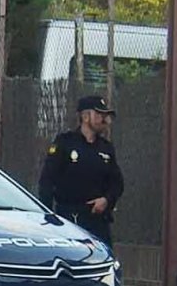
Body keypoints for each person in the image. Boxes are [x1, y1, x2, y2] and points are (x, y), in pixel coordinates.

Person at [38, 95, 124, 246]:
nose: (104, 119)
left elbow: (117, 183)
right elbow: (47, 180)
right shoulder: (65, 142)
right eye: (99, 115)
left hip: (98, 221)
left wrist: (106, 200)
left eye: (105, 116)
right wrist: (49, 216)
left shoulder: (106, 147)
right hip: (69, 219)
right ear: (85, 116)